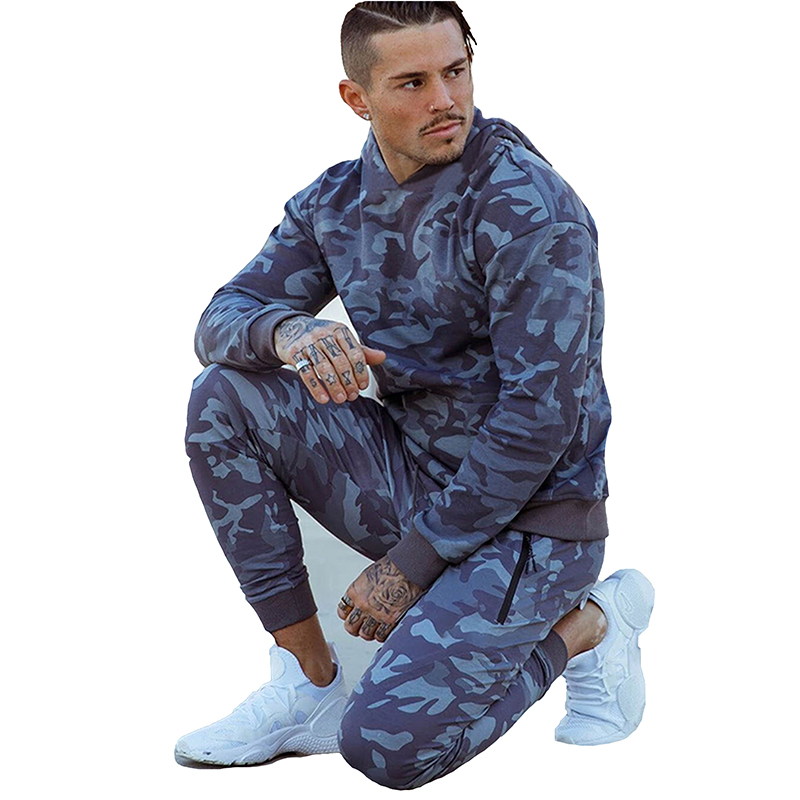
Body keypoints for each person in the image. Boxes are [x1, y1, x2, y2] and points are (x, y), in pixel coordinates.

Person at [175, 1, 654, 789]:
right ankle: (308, 681)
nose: (447, 99)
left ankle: (589, 626)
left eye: (456, 71)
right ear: (356, 97)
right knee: (223, 396)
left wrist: (411, 564)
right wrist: (289, 331)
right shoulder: (335, 203)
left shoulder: (528, 207)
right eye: (413, 82)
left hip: (534, 521)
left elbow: (539, 420)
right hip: (414, 474)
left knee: (388, 749)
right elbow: (221, 317)